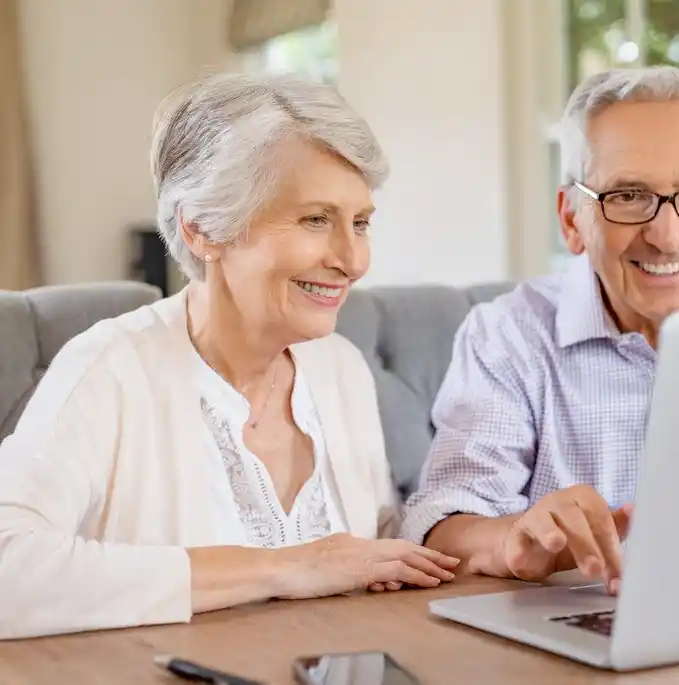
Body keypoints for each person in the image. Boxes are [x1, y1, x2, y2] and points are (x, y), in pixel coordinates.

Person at [0, 73, 458, 640]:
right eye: (316, 219)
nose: (353, 259)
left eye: (360, 223)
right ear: (202, 229)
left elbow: (370, 555)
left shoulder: (339, 368)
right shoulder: (109, 369)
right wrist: (289, 568)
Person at [400, 66, 679, 594]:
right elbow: (445, 523)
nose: (666, 235)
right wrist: (514, 540)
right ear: (572, 220)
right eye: (628, 196)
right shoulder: (508, 336)